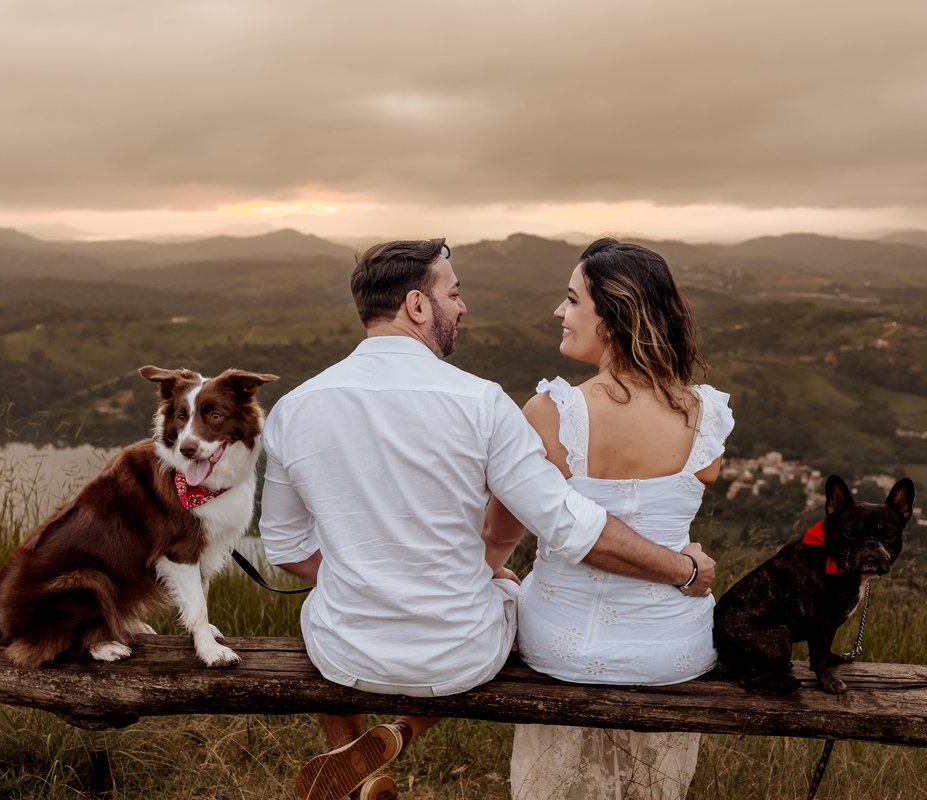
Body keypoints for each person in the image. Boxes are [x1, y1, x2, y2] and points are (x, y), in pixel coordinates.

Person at [259, 238, 715, 800]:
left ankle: (352, 764)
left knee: (323, 615)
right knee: (506, 594)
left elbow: (283, 547)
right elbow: (567, 525)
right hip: (459, 656)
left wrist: (362, 575)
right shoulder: (482, 402)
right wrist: (682, 569)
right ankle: (395, 738)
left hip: (346, 653)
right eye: (454, 294)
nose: (462, 307)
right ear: (417, 307)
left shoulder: (293, 408)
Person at [482, 238, 733, 800]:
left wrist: (489, 573)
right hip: (675, 647)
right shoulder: (707, 417)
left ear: (614, 318)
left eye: (572, 301)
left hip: (560, 644)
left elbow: (501, 532)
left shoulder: (551, 413)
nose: (559, 312)